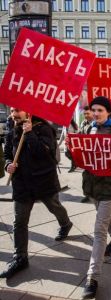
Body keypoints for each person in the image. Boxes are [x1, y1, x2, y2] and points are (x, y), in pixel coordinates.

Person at [69, 97, 111, 299]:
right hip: (92, 185)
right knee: (103, 218)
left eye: (100, 110)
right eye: (93, 110)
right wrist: (69, 148)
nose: (95, 113)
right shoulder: (87, 129)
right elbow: (76, 157)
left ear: (108, 112)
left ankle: (92, 277)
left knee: (98, 229)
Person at [0, 108, 73, 279]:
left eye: (17, 110)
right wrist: (8, 165)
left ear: (29, 113)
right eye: (11, 111)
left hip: (43, 183)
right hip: (22, 185)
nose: (13, 114)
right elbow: (7, 153)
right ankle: (20, 258)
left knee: (54, 207)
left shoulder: (44, 128)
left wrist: (30, 133)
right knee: (19, 222)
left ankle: (66, 223)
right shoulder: (12, 129)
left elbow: (46, 155)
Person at [79, 106, 94, 203]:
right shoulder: (83, 123)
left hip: (96, 155)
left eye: (88, 114)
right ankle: (87, 194)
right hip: (86, 154)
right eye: (84, 114)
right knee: (86, 176)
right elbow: (80, 135)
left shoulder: (96, 124)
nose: (86, 116)